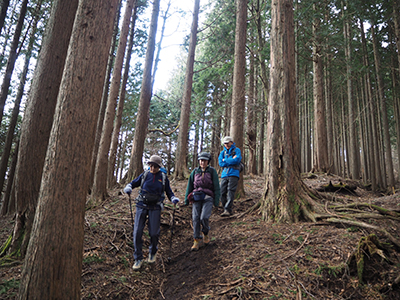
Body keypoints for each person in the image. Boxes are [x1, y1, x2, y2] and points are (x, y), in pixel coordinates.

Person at [124, 155, 179, 270]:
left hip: (156, 207)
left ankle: (152, 252)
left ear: (159, 166)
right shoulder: (145, 174)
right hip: (141, 205)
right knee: (137, 232)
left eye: (155, 166)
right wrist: (128, 187)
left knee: (154, 233)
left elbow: (169, 192)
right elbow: (133, 183)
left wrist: (173, 198)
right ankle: (138, 258)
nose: (152, 168)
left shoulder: (163, 177)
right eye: (151, 166)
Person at [184, 152, 220, 251]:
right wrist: (186, 200)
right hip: (196, 197)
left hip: (208, 197)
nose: (202, 162)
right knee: (195, 218)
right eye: (201, 160)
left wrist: (217, 201)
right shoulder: (195, 172)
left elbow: (217, 187)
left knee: (204, 217)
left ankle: (205, 232)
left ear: (208, 161)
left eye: (204, 160)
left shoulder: (212, 171)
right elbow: (189, 186)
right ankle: (196, 240)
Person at [218, 136, 242, 216]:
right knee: (222, 192)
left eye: (228, 143)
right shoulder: (222, 153)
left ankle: (227, 209)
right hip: (224, 174)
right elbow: (221, 163)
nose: (226, 145)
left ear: (231, 142)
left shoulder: (237, 150)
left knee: (230, 191)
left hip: (234, 173)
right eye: (225, 143)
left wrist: (226, 160)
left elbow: (237, 160)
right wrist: (231, 159)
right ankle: (225, 208)